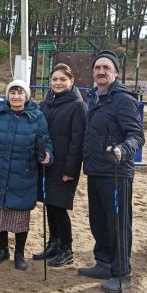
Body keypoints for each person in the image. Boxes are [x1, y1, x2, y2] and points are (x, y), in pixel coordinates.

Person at [80, 50, 144, 293]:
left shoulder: (123, 99)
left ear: (115, 73)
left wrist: (123, 148)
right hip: (95, 169)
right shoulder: (92, 98)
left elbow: (137, 135)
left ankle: (122, 272)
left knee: (118, 223)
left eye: (106, 68)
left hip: (117, 171)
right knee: (98, 221)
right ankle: (104, 262)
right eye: (97, 68)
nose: (101, 72)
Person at [0, 80, 52, 270]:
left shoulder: (37, 117)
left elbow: (45, 140)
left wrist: (47, 155)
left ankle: (19, 253)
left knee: (19, 217)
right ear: (7, 96)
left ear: (26, 96)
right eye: (12, 93)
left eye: (20, 93)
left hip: (22, 174)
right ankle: (2, 250)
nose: (16, 96)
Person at [34, 64, 87, 267]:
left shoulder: (77, 106)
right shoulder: (45, 104)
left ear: (71, 81)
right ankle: (53, 243)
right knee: (49, 205)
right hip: (47, 163)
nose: (57, 83)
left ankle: (67, 248)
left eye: (62, 79)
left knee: (59, 207)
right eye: (54, 79)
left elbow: (77, 141)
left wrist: (70, 170)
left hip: (64, 166)